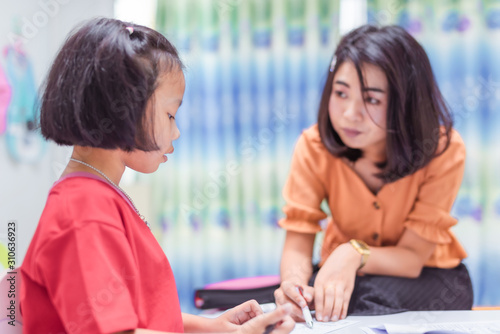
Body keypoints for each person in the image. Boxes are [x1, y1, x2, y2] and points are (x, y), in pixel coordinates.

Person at [20, 18, 294, 334]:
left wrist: (215, 327)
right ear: (123, 107)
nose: (176, 131)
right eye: (170, 115)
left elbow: (140, 317)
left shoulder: (97, 196)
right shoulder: (84, 211)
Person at [273, 24, 474, 323]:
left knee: (359, 299)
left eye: (372, 99)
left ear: (405, 105)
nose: (350, 113)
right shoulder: (313, 147)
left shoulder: (442, 150)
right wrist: (293, 285)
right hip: (345, 269)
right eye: (341, 93)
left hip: (429, 276)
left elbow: (411, 259)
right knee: (314, 300)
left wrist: (353, 253)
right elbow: (299, 239)